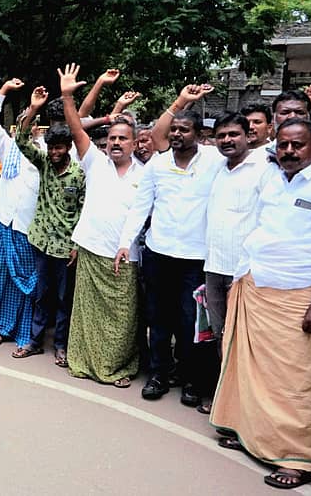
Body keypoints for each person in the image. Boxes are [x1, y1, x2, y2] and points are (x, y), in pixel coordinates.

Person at [211, 118, 311, 490]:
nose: (290, 152)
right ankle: (251, 436)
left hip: (300, 297)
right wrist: (244, 274)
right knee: (250, 369)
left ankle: (297, 457)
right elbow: (260, 226)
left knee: (296, 381)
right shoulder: (272, 179)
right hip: (256, 288)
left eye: (299, 145)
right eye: (285, 145)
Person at [116, 83, 221, 405]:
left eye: (184, 130)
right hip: (159, 255)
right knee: (158, 321)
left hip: (196, 259)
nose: (176, 134)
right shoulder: (158, 165)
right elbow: (140, 206)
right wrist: (125, 243)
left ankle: (191, 381)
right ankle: (159, 375)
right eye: (173, 129)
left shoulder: (215, 161)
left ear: (199, 134)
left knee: (191, 323)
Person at [57, 64, 144, 388]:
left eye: (123, 138)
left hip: (125, 256)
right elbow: (75, 126)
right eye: (112, 138)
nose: (116, 143)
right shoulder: (95, 161)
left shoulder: (145, 174)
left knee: (122, 317)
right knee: (87, 313)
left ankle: (116, 366)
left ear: (135, 142)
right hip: (91, 249)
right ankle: (83, 362)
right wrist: (69, 95)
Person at [198, 112, 269, 413]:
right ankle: (225, 401)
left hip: (245, 272)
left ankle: (246, 408)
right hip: (214, 267)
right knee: (220, 335)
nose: (227, 140)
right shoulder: (216, 167)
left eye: (233, 134)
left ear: (249, 136)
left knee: (245, 341)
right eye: (221, 135)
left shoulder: (265, 167)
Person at [15, 88, 86, 368]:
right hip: (41, 242)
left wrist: (77, 245)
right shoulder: (43, 162)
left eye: (59, 148)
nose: (55, 152)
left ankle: (60, 346)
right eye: (52, 148)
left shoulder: (79, 174)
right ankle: (34, 342)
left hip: (66, 247)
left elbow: (83, 210)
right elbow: (21, 140)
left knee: (63, 299)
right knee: (42, 294)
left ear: (68, 147)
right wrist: (33, 108)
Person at [0, 79, 41, 354]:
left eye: (31, 121)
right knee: (1, 278)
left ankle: (23, 330)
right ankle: (2, 327)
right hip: (5, 222)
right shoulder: (8, 148)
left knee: (27, 283)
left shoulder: (46, 154)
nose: (26, 127)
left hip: (30, 229)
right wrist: (3, 91)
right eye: (22, 121)